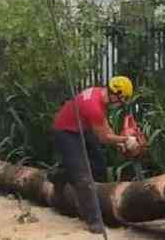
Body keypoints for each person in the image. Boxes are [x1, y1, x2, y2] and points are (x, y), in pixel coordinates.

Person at [49, 76, 140, 233]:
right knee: (83, 177)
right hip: (66, 131)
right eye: (120, 100)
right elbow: (104, 138)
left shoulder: (100, 94)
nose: (119, 104)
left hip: (81, 127)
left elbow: (105, 128)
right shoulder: (94, 107)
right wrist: (127, 139)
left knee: (99, 163)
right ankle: (94, 221)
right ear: (115, 93)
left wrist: (119, 142)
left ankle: (63, 175)